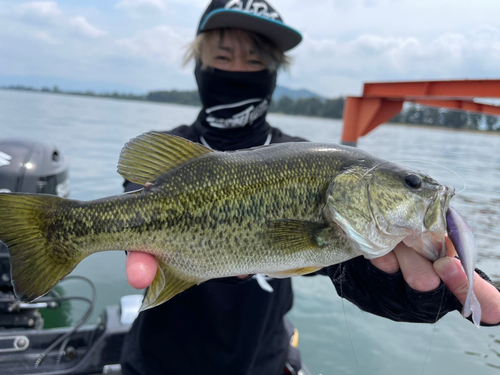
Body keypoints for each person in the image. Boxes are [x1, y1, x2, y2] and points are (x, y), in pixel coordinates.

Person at [120, 1, 500, 374]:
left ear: (273, 71)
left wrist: (415, 292)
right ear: (199, 64)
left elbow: (347, 269)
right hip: (156, 361)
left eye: (255, 61)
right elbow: (135, 211)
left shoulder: (307, 159)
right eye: (223, 57)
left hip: (261, 363)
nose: (238, 69)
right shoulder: (170, 157)